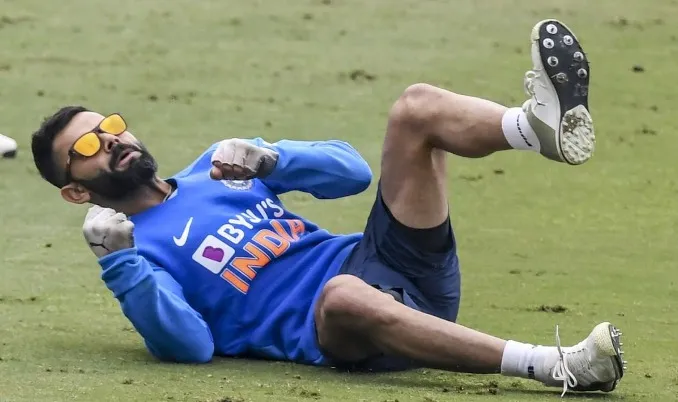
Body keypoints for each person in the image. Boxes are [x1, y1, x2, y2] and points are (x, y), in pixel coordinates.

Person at [30, 19, 624, 396]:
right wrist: (121, 265)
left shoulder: (217, 165)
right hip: (346, 328)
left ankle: (533, 128)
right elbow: (190, 347)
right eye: (87, 148)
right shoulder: (136, 252)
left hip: (388, 261)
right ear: (76, 191)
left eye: (110, 127)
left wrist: (272, 160)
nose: (111, 141)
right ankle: (557, 365)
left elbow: (354, 174)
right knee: (341, 295)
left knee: (416, 108)